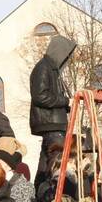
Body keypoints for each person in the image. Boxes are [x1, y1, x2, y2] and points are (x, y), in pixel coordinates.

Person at [29, 36, 75, 181]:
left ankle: (40, 196)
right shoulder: (43, 68)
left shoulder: (51, 69)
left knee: (46, 165)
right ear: (59, 51)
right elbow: (40, 96)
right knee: (56, 163)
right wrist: (66, 101)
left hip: (53, 123)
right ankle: (52, 195)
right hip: (51, 124)